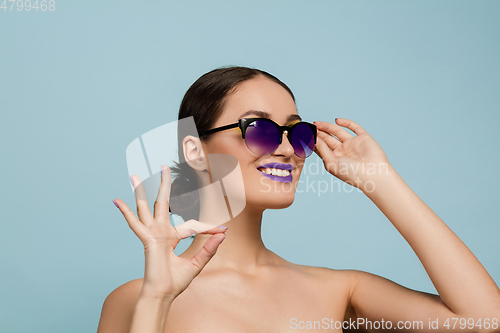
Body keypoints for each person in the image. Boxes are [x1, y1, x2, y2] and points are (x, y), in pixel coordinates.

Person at [98, 66, 500, 333]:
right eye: (259, 130)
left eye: (298, 133)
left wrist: (380, 179)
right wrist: (158, 298)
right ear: (195, 151)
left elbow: (484, 319)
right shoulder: (136, 297)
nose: (288, 149)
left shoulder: (338, 291)